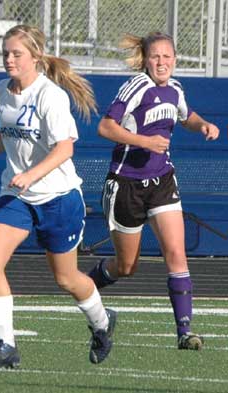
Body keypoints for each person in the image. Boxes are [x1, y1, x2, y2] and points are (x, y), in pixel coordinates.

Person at [0, 24, 117, 371]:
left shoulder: (50, 95)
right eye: (5, 53)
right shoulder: (1, 90)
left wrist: (31, 174)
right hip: (16, 195)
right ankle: (5, 344)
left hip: (58, 197)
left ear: (35, 57)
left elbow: (65, 149)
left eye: (17, 54)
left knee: (66, 279)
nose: (9, 60)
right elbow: (5, 133)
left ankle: (102, 323)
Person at [87, 32, 220, 350]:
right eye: (155, 56)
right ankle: (86, 286)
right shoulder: (137, 87)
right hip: (125, 186)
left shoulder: (175, 89)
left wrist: (203, 124)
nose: (162, 62)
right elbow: (105, 127)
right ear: (146, 60)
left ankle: (184, 332)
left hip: (161, 181)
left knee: (176, 253)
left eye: (167, 56)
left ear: (175, 59)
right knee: (126, 266)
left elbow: (186, 116)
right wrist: (145, 142)